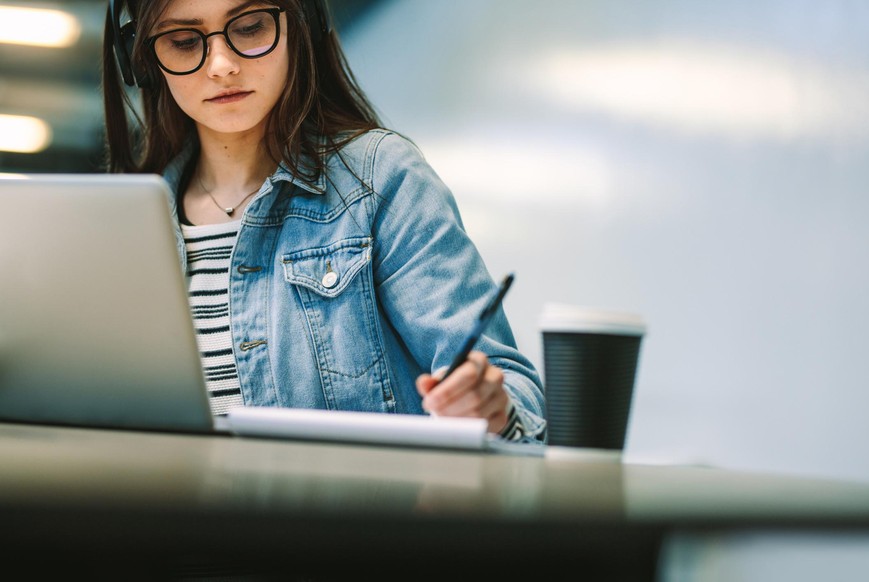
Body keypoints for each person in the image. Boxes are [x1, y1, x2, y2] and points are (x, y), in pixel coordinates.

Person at [102, 0, 546, 443]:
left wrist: (490, 407)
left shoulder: (381, 181)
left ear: (302, 23)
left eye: (251, 27)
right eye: (182, 42)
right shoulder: (126, 225)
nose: (221, 66)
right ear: (139, 61)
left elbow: (514, 393)